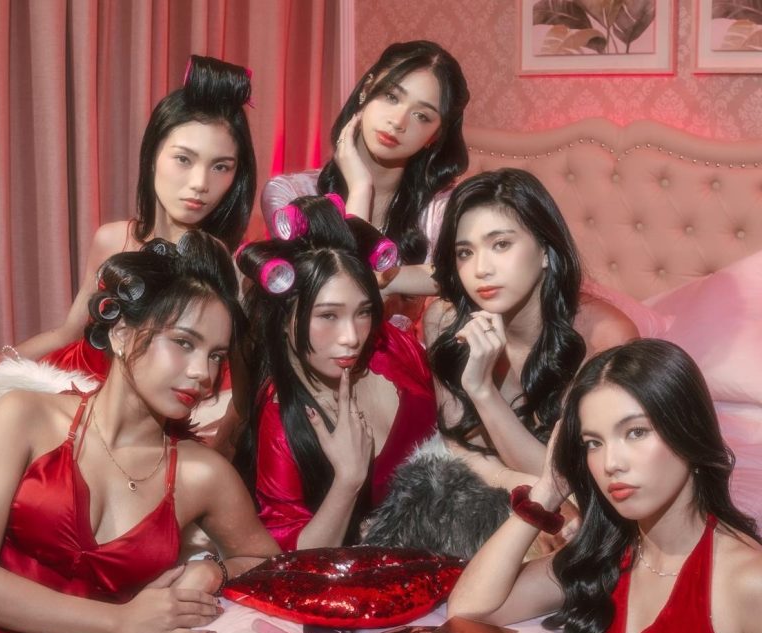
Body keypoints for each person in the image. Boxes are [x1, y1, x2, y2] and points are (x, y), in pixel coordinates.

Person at [0, 231, 279, 633]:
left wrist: (211, 571)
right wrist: (121, 620)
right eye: (183, 343)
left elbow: (270, 563)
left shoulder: (201, 474)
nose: (203, 374)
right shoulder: (25, 416)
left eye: (216, 356)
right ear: (123, 334)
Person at [447, 339, 762, 633]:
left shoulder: (748, 581)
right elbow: (471, 609)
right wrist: (548, 489)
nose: (611, 463)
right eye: (593, 443)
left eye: (636, 432)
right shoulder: (611, 557)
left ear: (688, 429)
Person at [0, 55, 256, 378]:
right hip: (79, 386)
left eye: (221, 167)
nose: (200, 183)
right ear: (153, 156)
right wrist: (3, 361)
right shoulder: (112, 239)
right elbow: (68, 333)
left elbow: (241, 380)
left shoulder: (232, 267)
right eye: (184, 159)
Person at [234, 195, 437, 550]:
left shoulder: (392, 346)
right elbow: (293, 556)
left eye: (363, 312)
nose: (351, 337)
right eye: (328, 315)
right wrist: (348, 481)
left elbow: (468, 279)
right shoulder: (282, 420)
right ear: (285, 319)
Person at [425, 167, 638, 483]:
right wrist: (515, 489)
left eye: (501, 244)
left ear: (546, 252)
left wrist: (483, 391)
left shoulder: (605, 339)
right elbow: (461, 447)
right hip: (485, 490)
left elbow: (570, 480)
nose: (481, 269)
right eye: (465, 253)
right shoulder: (445, 321)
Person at [261, 40, 470, 324]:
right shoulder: (290, 193)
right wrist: (360, 188)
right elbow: (342, 296)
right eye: (391, 96)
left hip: (403, 352)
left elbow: (471, 274)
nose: (398, 121)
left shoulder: (441, 209)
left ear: (435, 136)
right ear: (366, 89)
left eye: (421, 116)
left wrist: (389, 279)